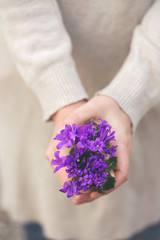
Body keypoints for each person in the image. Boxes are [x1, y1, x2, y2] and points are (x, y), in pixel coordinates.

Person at [0, 0, 160, 239]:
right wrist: (62, 100)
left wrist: (129, 94)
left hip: (149, 94)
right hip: (37, 84)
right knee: (48, 216)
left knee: (141, 215)